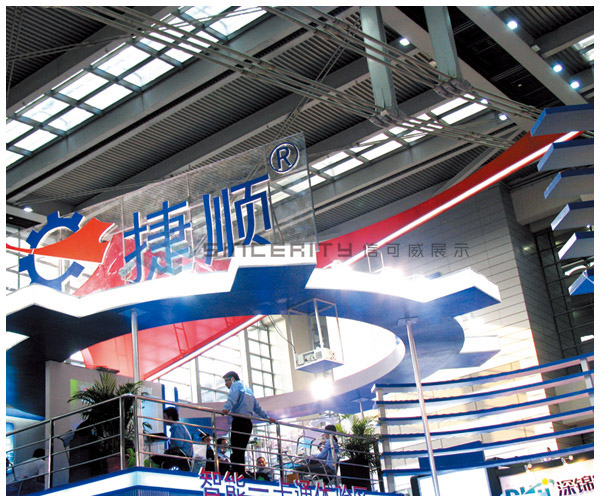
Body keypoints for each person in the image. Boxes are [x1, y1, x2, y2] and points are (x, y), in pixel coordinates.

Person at [221, 370, 275, 477]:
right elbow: (257, 407)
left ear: (232, 379)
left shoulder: (235, 386)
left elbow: (232, 398)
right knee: (241, 448)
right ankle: (240, 471)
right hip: (248, 423)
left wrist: (226, 408)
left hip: (239, 420)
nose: (226, 384)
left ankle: (236, 471)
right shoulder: (249, 390)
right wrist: (267, 417)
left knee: (236, 448)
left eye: (226, 381)